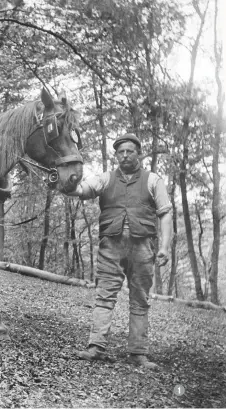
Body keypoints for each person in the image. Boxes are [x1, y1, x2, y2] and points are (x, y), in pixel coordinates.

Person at [66, 133, 172, 370]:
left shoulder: (153, 180)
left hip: (143, 248)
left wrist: (164, 247)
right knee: (104, 296)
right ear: (116, 155)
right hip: (110, 247)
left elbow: (165, 213)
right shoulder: (105, 179)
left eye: (129, 151)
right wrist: (63, 181)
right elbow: (81, 190)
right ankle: (96, 347)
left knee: (140, 300)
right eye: (120, 152)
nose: (124, 155)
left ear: (139, 154)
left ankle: (138, 353)